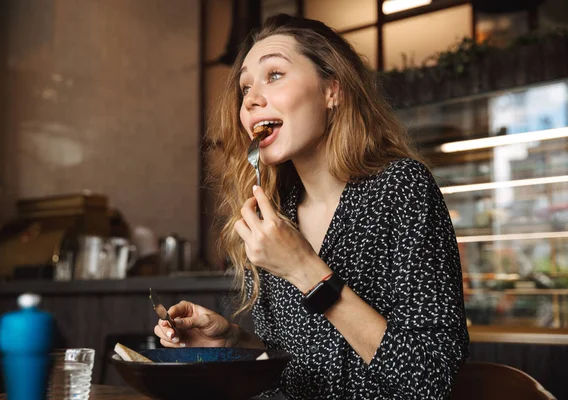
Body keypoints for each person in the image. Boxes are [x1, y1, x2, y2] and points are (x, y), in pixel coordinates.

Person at [154, 14, 469, 399]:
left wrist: (305, 270)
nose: (251, 99)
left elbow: (429, 379)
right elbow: (297, 364)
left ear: (331, 90)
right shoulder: (277, 211)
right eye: (245, 88)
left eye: (274, 75)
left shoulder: (401, 188)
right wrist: (229, 341)